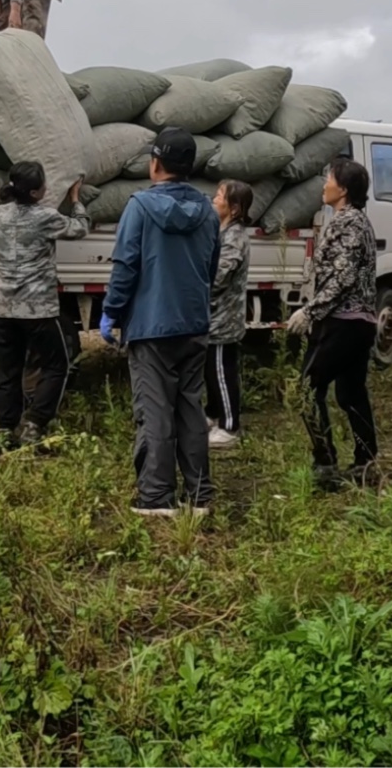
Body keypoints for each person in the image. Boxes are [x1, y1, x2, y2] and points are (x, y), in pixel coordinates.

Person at [100, 128, 220, 516]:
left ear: (155, 164)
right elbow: (211, 268)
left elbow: (125, 267)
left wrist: (111, 313)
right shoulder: (208, 212)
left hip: (151, 327)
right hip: (194, 324)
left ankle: (155, 498)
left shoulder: (139, 207)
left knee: (154, 412)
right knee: (190, 409)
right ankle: (199, 496)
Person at [286, 157, 379, 490]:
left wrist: (310, 311)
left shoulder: (349, 222)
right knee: (351, 393)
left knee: (307, 391)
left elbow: (343, 277)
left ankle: (325, 465)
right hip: (357, 322)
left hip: (343, 322)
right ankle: (365, 463)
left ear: (343, 189)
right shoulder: (351, 220)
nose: (324, 183)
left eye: (329, 178)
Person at [0, 161, 89, 446]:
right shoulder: (46, 217)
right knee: (57, 364)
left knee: (7, 370)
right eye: (44, 185)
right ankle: (35, 422)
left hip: (2, 307)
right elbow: (80, 229)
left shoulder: (0, 214)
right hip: (37, 309)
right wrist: (75, 200)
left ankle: (5, 430)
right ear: (35, 193)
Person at [206, 180, 253, 450]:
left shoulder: (234, 236)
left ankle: (230, 426)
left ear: (234, 208)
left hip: (223, 319)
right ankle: (213, 415)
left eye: (220, 196)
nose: (214, 199)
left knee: (222, 373)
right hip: (214, 317)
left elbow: (219, 277)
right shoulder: (222, 231)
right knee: (211, 371)